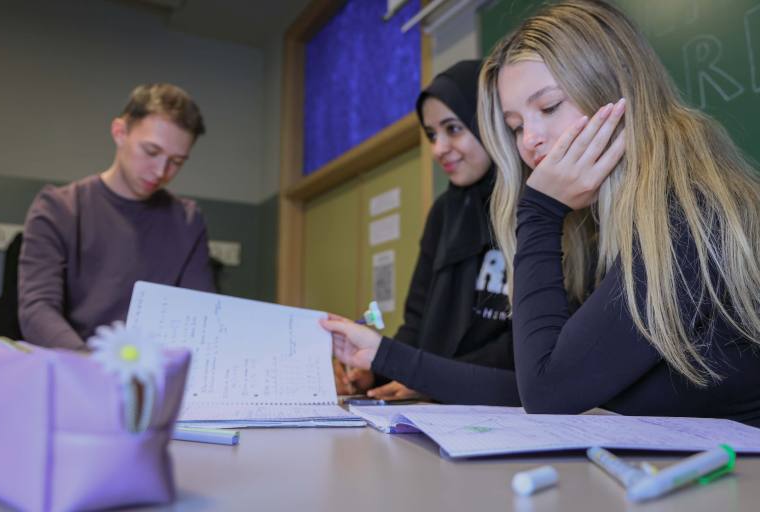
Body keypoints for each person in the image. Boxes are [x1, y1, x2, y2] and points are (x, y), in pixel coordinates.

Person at [324, 0, 760, 426]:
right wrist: (383, 355)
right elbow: (539, 382)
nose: (530, 140)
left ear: (616, 90)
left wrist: (539, 211)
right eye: (515, 126)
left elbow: (547, 392)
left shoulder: (691, 213)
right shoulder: (600, 228)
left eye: (549, 106)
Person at [335, 60, 528, 402]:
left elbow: (524, 344)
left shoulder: (536, 205)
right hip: (431, 405)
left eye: (453, 129)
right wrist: (375, 369)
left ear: (489, 123)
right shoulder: (444, 213)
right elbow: (417, 321)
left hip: (504, 406)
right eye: (431, 135)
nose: (438, 148)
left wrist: (432, 379)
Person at [19, 83, 215, 349]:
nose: (161, 172)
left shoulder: (188, 221)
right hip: (76, 368)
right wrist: (89, 366)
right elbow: (37, 310)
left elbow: (199, 314)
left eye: (177, 162)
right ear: (120, 132)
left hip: (154, 375)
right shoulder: (58, 209)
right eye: (151, 152)